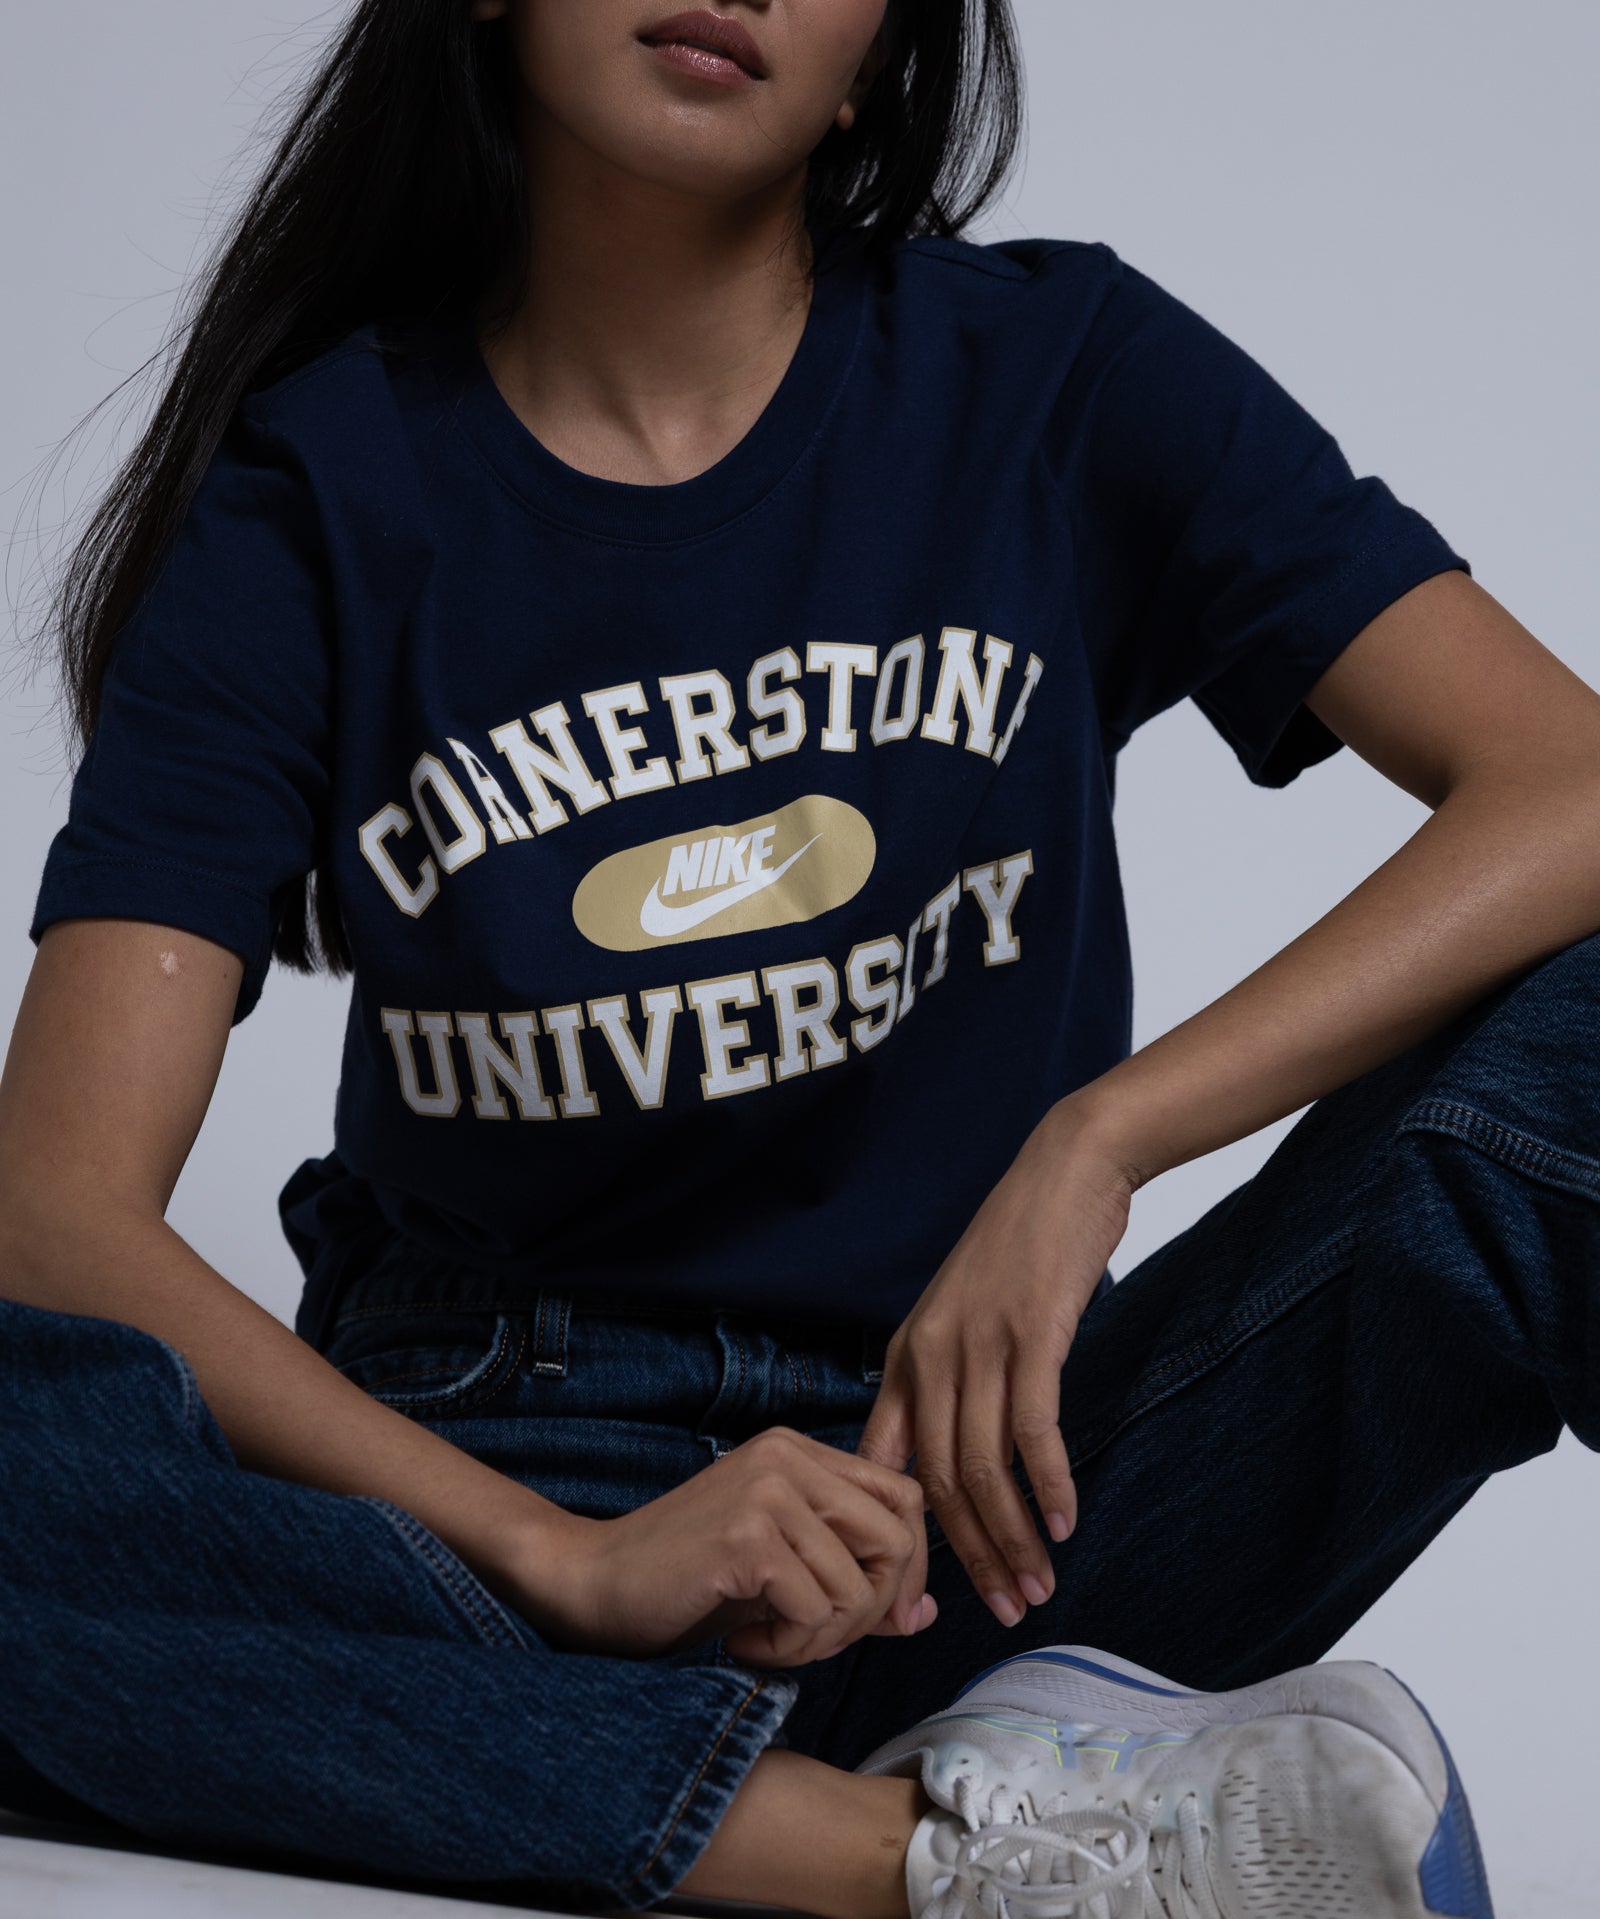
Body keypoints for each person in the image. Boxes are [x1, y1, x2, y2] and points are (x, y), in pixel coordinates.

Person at [2, 1, 1596, 1913]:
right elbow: (51, 1221)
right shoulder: (323, 493)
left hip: (1008, 1506)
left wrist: (1097, 1142)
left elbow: (1568, 783)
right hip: (495, 1540)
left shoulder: (1053, 374)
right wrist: (567, 1559)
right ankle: (926, 1860)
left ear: (885, 50)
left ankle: (918, 1785)